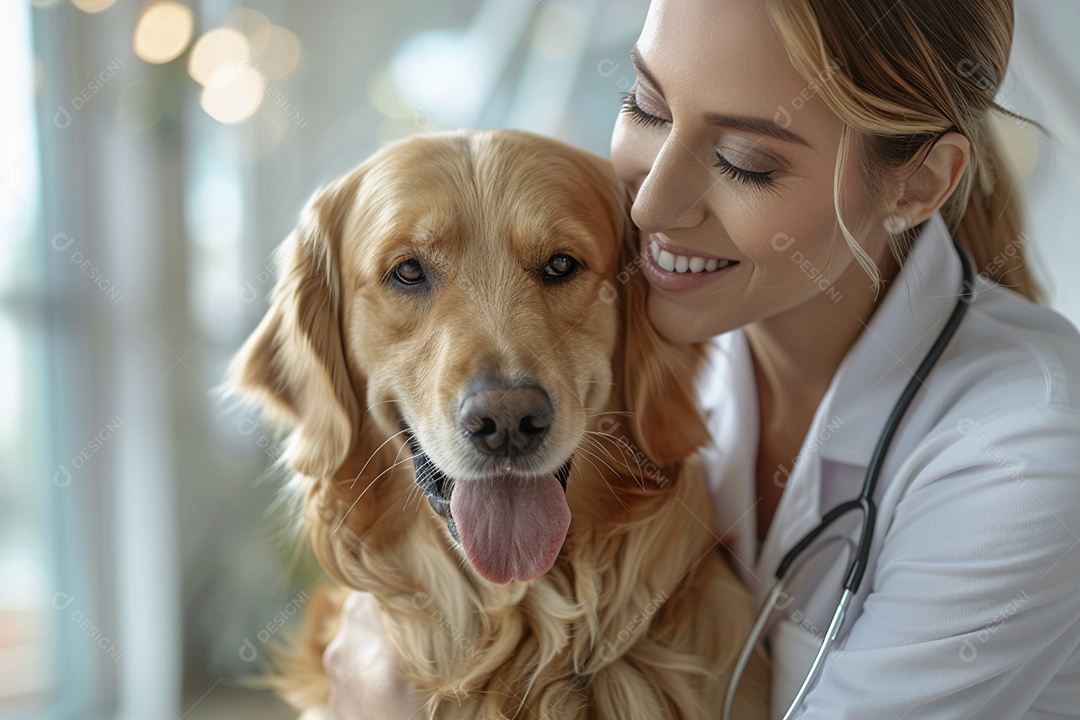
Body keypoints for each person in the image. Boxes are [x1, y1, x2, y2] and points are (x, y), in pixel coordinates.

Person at [324, 0, 1080, 717]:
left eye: (745, 160)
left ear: (918, 183)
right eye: (647, 107)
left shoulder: (1028, 453)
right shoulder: (654, 348)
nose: (649, 206)